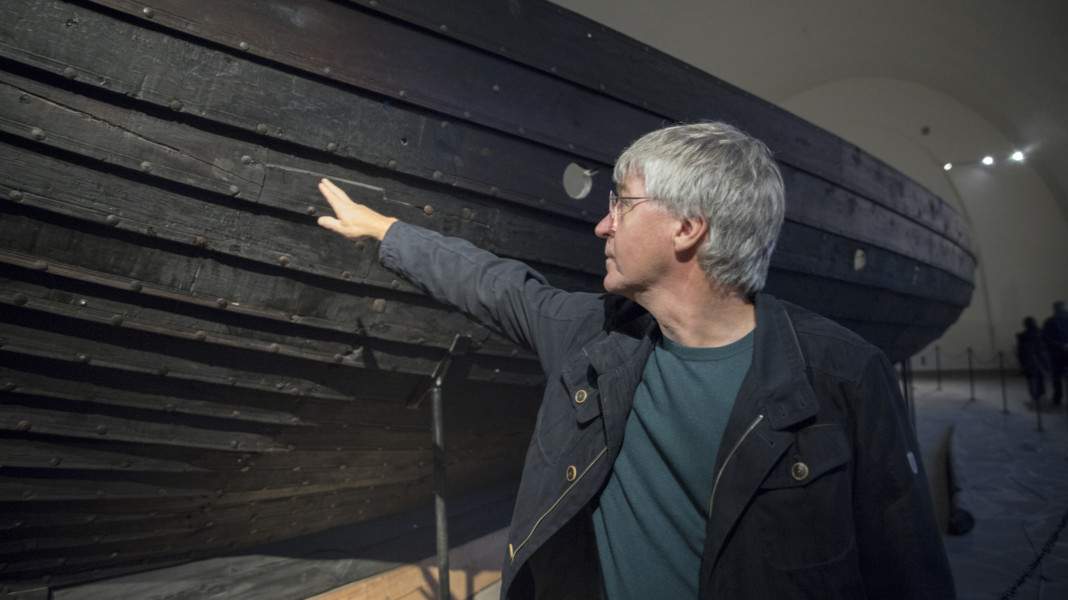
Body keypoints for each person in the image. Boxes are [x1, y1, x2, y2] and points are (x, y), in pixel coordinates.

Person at [316, 122, 954, 599]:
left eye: (622, 202)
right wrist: (386, 232)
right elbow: (498, 285)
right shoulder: (597, 337)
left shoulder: (842, 376)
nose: (603, 225)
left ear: (687, 228)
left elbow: (907, 571)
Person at [1016, 317, 1050, 403]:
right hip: (1040, 358)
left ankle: (1034, 393)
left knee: (1031, 378)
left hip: (1028, 359)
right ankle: (1041, 392)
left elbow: (1020, 350)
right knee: (1040, 376)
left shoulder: (1022, 336)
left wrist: (1021, 362)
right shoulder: (1041, 333)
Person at [1042, 301, 1068, 406]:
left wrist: (1059, 345)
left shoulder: (1049, 321)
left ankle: (1058, 397)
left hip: (1056, 353)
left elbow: (1046, 338)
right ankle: (1057, 397)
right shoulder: (1050, 321)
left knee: (1056, 377)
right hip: (1059, 352)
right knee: (1057, 377)